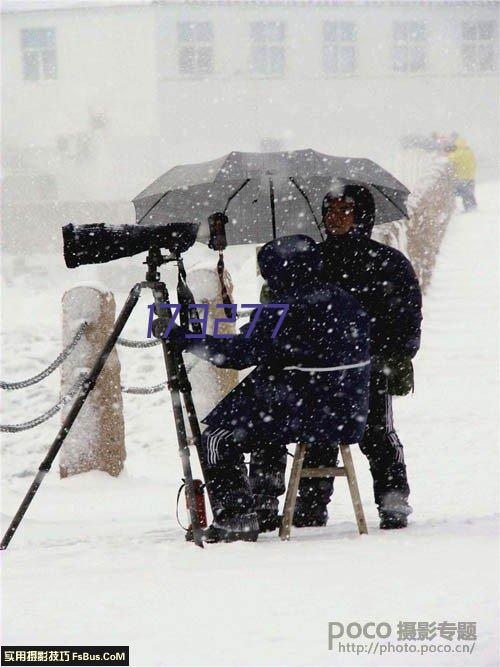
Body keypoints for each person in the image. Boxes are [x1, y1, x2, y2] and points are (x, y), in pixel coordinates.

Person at [170, 235, 371, 543]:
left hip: (302, 412)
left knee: (218, 438)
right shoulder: (346, 301)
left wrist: (187, 339)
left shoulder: (282, 309)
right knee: (265, 423)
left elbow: (238, 355)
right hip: (345, 415)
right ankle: (262, 506)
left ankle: (236, 517)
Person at [296, 183, 421, 530]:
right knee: (318, 437)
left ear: (362, 215)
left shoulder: (387, 263)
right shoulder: (311, 262)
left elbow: (407, 317)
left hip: (369, 367)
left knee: (377, 434)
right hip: (318, 369)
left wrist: (386, 356)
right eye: (330, 210)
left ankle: (393, 500)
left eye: (344, 210)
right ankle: (310, 504)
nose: (335, 218)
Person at [446, 136, 477, 211]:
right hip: (470, 177)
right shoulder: (470, 152)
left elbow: (449, 160)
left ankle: (455, 208)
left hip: (460, 177)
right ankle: (472, 206)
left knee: (457, 192)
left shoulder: (456, 153)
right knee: (469, 193)